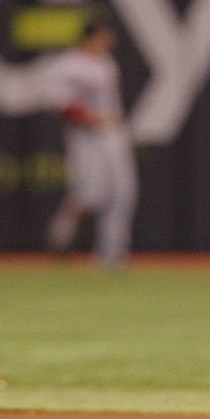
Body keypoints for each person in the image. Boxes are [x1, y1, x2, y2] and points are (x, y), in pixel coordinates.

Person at [43, 19, 138, 268]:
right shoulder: (66, 66)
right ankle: (61, 235)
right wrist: (94, 119)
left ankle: (112, 253)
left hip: (113, 135)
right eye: (103, 37)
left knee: (123, 192)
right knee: (91, 194)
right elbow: (60, 104)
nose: (107, 42)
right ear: (89, 38)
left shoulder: (107, 63)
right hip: (85, 137)